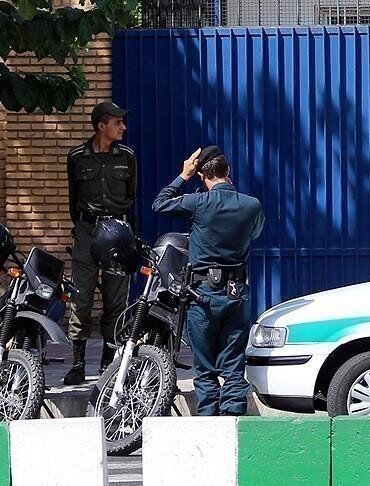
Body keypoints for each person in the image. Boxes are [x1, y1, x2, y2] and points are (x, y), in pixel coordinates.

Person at [152, 146, 264, 416]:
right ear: (229, 171)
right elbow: (255, 233)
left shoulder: (197, 202)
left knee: (204, 367)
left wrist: (183, 175)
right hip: (236, 292)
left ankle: (209, 421)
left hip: (202, 294)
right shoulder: (251, 205)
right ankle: (234, 417)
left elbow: (160, 203)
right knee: (233, 363)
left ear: (202, 175)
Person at [64, 101, 136, 385]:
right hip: (87, 231)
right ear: (101, 126)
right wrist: (84, 226)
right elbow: (74, 199)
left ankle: (108, 361)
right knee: (80, 296)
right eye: (117, 123)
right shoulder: (76, 157)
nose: (123, 127)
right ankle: (78, 363)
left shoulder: (127, 156)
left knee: (115, 298)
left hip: (117, 230)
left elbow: (131, 196)